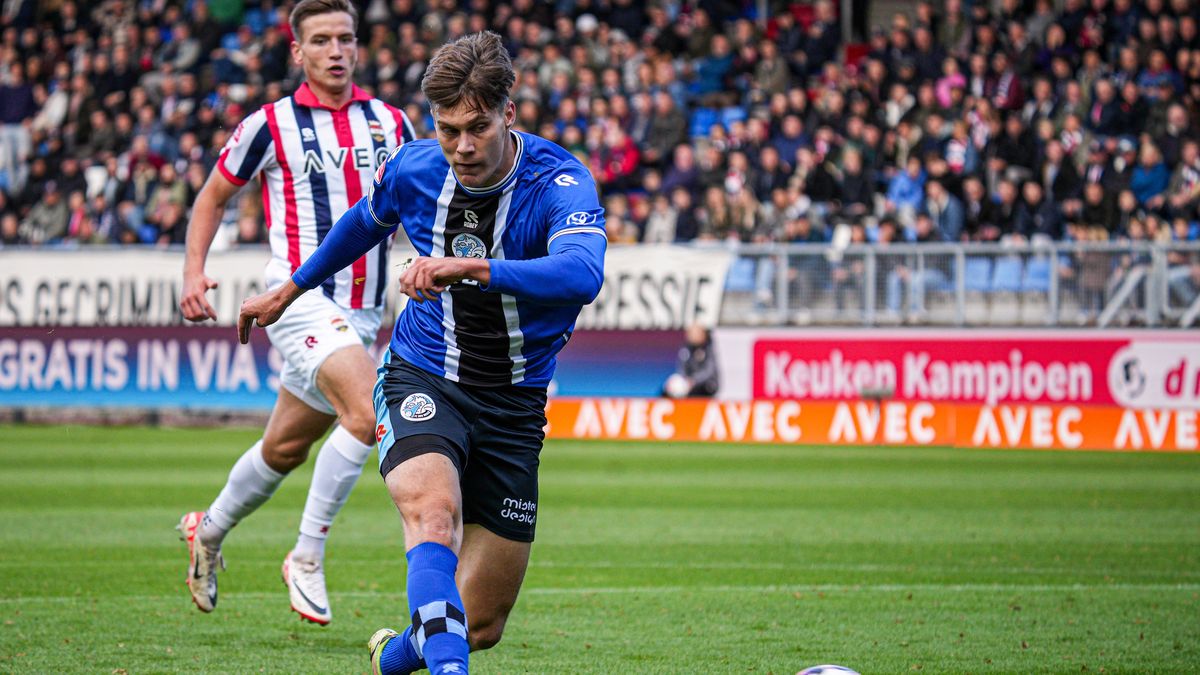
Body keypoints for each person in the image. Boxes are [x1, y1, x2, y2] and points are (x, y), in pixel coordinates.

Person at [236, 31, 606, 675]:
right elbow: (363, 219)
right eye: (447, 129)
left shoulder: (560, 181)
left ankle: (399, 655)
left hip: (515, 406)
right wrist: (290, 290)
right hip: (425, 374)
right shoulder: (415, 167)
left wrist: (474, 269)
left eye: (477, 128)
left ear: (508, 113)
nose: (461, 146)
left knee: (479, 623)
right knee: (433, 512)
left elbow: (582, 274)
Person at [175, 0, 416, 626]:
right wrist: (193, 270)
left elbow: (425, 199)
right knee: (368, 412)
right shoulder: (270, 124)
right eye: (321, 40)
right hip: (295, 297)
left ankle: (209, 531)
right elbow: (213, 196)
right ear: (297, 52)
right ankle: (306, 554)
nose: (336, 50)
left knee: (283, 449)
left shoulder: (392, 122)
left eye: (346, 38)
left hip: (363, 311)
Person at [662, 324, 720, 398]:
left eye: (696, 333)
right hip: (688, 383)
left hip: (706, 384)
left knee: (695, 391)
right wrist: (683, 380)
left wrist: (694, 380)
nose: (692, 336)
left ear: (703, 335)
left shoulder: (708, 349)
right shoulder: (686, 349)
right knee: (669, 389)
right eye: (691, 333)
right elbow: (682, 368)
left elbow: (709, 371)